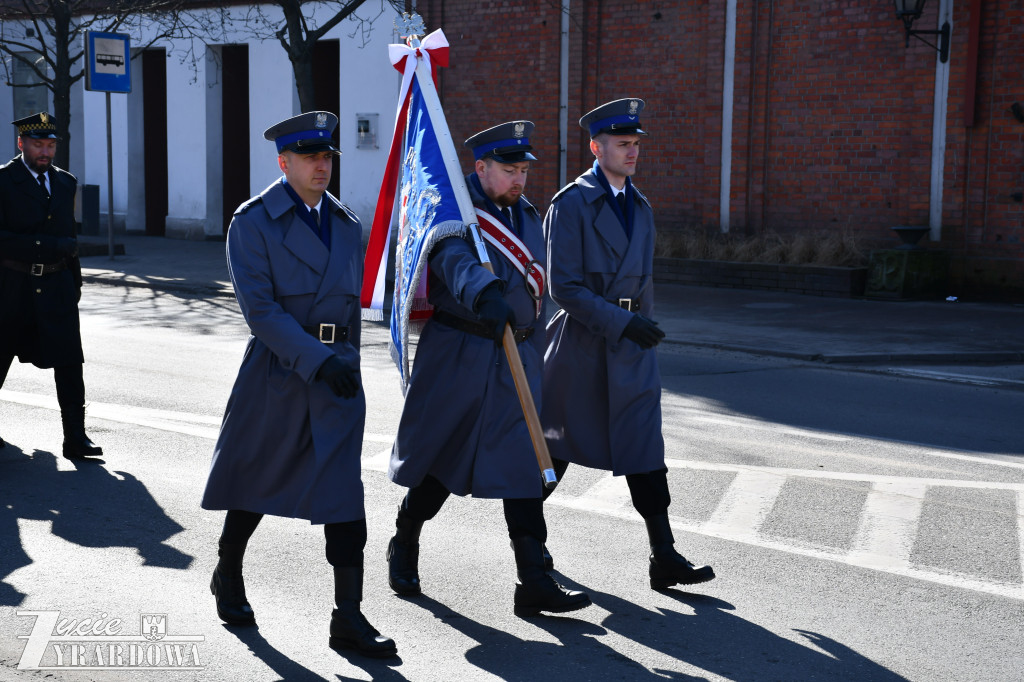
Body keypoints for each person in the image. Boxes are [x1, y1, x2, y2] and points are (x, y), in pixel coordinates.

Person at [200, 111, 395, 658]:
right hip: (279, 373)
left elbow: (353, 308)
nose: (321, 165)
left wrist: (347, 361)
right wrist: (317, 358)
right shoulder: (254, 221)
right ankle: (228, 570)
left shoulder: (345, 223)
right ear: (283, 162)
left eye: (327, 156)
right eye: (310, 157)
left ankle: (348, 617)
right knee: (256, 485)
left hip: (337, 375)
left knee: (344, 497)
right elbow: (260, 311)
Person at [386, 120, 591, 617]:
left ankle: (533, 582)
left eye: (522, 169)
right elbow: (452, 260)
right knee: (441, 460)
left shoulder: (525, 215)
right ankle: (405, 537)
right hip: (462, 353)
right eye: (508, 169)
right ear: (480, 168)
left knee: (522, 467)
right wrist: (482, 290)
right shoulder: (455, 215)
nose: (518, 178)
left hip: (514, 357)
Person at [541, 99, 716, 590]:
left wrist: (645, 326)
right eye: (623, 144)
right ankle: (530, 549)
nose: (633, 151)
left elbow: (646, 280)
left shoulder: (640, 205)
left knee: (645, 452)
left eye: (636, 143)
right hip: (584, 347)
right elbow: (564, 287)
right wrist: (622, 323)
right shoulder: (571, 204)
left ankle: (664, 555)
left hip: (632, 348)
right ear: (597, 148)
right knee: (555, 453)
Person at [0, 112, 102, 459]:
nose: (45, 152)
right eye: (37, 144)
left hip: (56, 284)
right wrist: (46, 246)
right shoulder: (3, 180)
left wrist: (74, 282)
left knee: (70, 362)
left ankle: (76, 437)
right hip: (11, 286)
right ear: (21, 144)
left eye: (50, 145)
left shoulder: (65, 182)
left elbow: (68, 234)